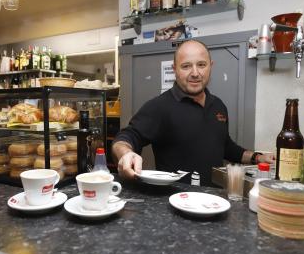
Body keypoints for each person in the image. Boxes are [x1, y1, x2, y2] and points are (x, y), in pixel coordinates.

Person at [112, 40, 275, 186]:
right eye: (186, 66)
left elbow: (224, 146)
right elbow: (125, 139)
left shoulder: (218, 106)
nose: (195, 73)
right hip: (175, 203)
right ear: (174, 69)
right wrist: (126, 154)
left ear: (211, 65)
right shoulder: (159, 106)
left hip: (214, 201)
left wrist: (258, 157)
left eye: (201, 65)